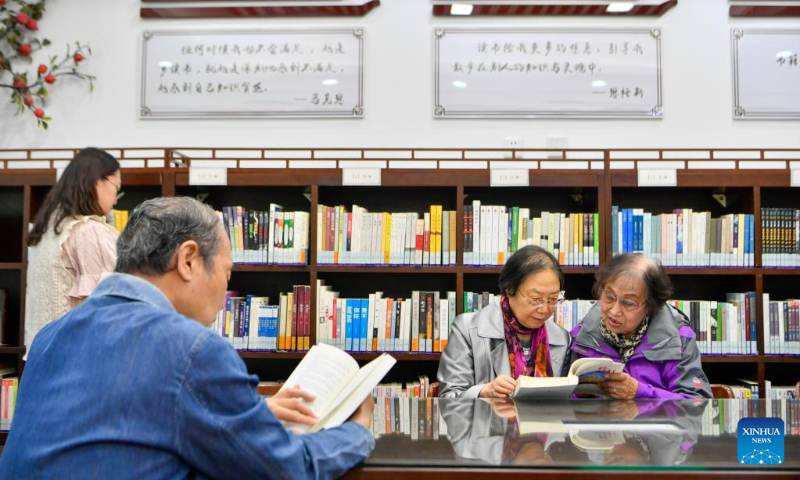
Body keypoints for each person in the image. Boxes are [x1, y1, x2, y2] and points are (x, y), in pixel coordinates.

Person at [0, 197, 375, 479]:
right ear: (189, 260)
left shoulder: (50, 337)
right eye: (227, 273)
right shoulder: (191, 348)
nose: (227, 288)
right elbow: (288, 469)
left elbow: (116, 430)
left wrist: (249, 415)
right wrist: (357, 432)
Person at [568, 253, 712, 400]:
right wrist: (577, 394)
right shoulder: (583, 334)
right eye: (609, 297)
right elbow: (561, 401)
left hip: (656, 423)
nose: (614, 311)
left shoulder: (679, 339)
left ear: (651, 305)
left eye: (629, 303)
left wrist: (640, 392)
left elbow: (697, 404)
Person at [24, 147, 122, 359]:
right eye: (117, 187)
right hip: (75, 363)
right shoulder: (89, 231)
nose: (116, 200)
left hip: (39, 361)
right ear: (98, 182)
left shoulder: (47, 230)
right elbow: (107, 311)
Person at [438, 245, 571, 399]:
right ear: (509, 289)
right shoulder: (467, 329)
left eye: (553, 299)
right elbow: (448, 399)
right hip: (487, 422)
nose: (544, 309)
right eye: (535, 299)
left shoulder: (562, 339)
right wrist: (483, 392)